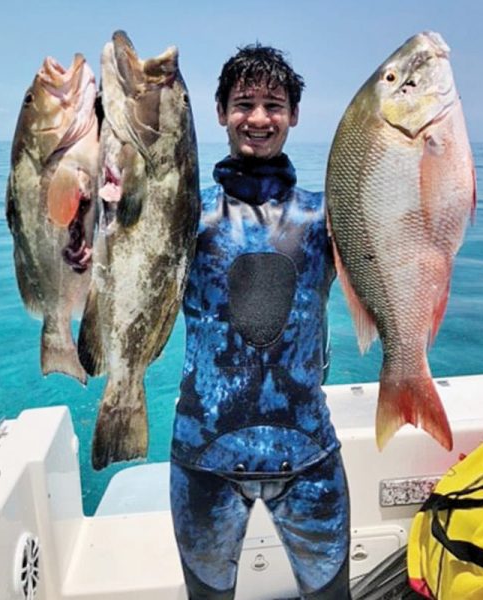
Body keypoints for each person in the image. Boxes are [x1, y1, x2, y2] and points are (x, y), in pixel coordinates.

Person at [170, 44, 351, 600]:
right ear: (221, 111)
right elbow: (115, 257)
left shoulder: (326, 216)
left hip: (310, 459)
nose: (258, 118)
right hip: (204, 460)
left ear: (294, 115)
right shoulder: (184, 218)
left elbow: (397, 246)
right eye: (244, 103)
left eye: (273, 104)